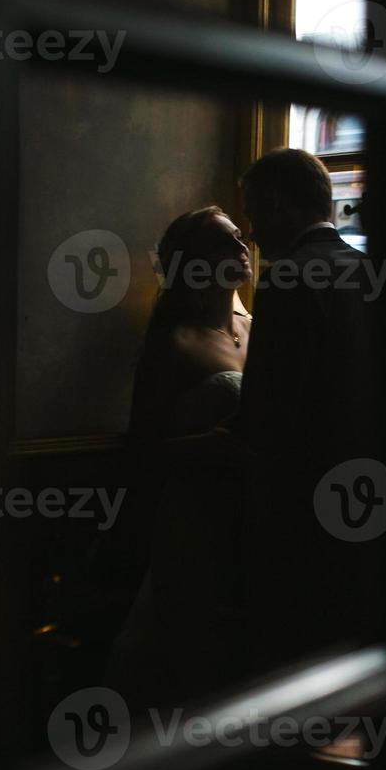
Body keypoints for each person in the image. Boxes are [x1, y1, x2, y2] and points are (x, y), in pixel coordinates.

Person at [231, 148, 384, 672]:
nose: (251, 232)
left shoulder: (287, 276)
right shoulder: (368, 270)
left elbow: (269, 409)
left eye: (252, 214)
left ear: (276, 203)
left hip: (301, 501)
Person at [107, 206, 253, 709]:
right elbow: (142, 449)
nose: (240, 249)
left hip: (252, 514)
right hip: (193, 515)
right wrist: (206, 449)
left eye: (239, 236)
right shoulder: (174, 340)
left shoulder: (260, 327)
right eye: (221, 244)